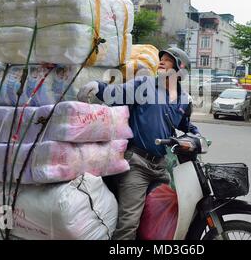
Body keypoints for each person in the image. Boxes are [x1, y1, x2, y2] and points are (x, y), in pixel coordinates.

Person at [77, 47, 200, 240]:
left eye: (168, 60)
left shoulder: (183, 100)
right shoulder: (144, 84)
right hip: (137, 163)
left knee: (160, 217)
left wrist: (194, 139)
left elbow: (187, 127)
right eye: (162, 58)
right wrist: (98, 86)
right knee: (129, 222)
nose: (161, 61)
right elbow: (116, 93)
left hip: (160, 167)